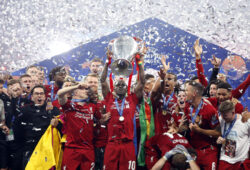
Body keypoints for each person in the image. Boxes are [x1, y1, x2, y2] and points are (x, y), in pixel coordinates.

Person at [100, 50, 145, 170]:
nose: (120, 87)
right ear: (114, 87)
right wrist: (107, 62)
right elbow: (102, 81)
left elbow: (142, 82)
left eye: (122, 85)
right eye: (118, 85)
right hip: (112, 144)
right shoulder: (109, 98)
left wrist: (139, 62)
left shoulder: (132, 99)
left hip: (128, 144)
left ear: (127, 88)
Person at [57, 82, 104, 170]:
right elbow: (60, 93)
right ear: (75, 92)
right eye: (82, 89)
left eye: (86, 89)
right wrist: (77, 86)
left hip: (88, 149)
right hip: (72, 148)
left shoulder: (92, 107)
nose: (86, 91)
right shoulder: (69, 105)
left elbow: (101, 120)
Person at [16, 85, 60, 168]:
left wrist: (56, 122)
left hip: (47, 149)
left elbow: (61, 127)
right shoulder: (25, 110)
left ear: (45, 96)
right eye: (36, 94)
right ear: (32, 96)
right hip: (29, 148)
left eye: (41, 93)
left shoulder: (53, 110)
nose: (39, 96)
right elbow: (18, 130)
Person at [184, 80, 221, 170]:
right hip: (193, 151)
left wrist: (200, 130)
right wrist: (179, 127)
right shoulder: (187, 106)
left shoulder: (210, 110)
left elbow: (218, 133)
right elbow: (187, 125)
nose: (184, 93)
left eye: (186, 91)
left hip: (208, 151)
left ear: (194, 93)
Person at [216, 100, 250, 170]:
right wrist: (218, 140)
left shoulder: (245, 121)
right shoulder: (221, 119)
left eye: (225, 115)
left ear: (233, 112)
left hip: (241, 160)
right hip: (225, 158)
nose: (223, 117)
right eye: (221, 114)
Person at [151, 68, 178, 135]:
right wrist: (162, 79)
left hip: (171, 134)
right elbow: (154, 91)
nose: (166, 81)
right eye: (165, 79)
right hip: (156, 133)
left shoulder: (178, 100)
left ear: (175, 83)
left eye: (169, 79)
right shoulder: (159, 96)